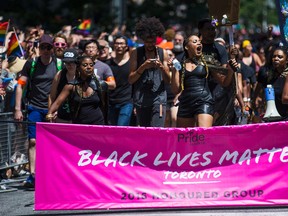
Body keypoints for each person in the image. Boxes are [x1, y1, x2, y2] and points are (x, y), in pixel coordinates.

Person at [14, 34, 60, 188]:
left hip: (52, 109)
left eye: (48, 47)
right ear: (38, 48)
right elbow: (20, 85)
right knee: (33, 141)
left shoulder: (59, 64)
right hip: (34, 107)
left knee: (52, 143)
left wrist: (58, 108)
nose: (46, 50)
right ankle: (32, 174)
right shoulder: (31, 64)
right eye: (43, 47)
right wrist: (17, 109)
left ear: (52, 48)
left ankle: (52, 173)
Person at [169, 34, 236, 127]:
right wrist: (174, 70)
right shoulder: (180, 64)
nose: (199, 44)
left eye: (200, 42)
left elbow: (224, 82)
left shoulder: (207, 61)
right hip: (186, 103)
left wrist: (231, 71)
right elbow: (175, 90)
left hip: (204, 101)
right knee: (185, 138)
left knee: (204, 135)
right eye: (195, 42)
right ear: (187, 47)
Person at [128, 17, 170, 127]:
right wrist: (143, 67)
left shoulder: (163, 53)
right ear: (142, 39)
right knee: (145, 131)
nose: (150, 44)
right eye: (147, 42)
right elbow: (131, 79)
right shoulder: (135, 53)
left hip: (159, 99)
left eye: (153, 42)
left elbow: (168, 80)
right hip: (141, 100)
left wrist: (161, 67)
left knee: (157, 130)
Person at [46, 56, 104, 125]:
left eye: (91, 65)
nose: (89, 67)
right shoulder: (70, 86)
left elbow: (104, 105)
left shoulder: (100, 85)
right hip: (79, 125)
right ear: (78, 67)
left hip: (97, 124)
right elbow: (57, 103)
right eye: (85, 65)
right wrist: (49, 114)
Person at [198, 18, 235, 126]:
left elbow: (224, 73)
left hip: (217, 93)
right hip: (199, 90)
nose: (211, 32)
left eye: (213, 29)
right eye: (208, 29)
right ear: (200, 30)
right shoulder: (196, 48)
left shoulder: (220, 49)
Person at [254, 46, 288, 120]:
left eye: (280, 57)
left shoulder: (286, 76)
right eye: (274, 56)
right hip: (272, 118)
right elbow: (260, 92)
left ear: (286, 60)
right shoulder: (268, 76)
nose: (276, 59)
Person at [106, 35, 133, 126]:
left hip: (126, 102)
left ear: (126, 47)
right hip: (111, 102)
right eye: (117, 43)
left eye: (121, 43)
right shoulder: (108, 64)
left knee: (122, 128)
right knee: (111, 129)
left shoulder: (132, 63)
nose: (119, 46)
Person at [48, 48, 78, 123]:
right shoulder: (59, 75)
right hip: (61, 117)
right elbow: (52, 96)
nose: (69, 65)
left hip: (78, 118)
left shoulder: (82, 76)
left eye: (72, 62)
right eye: (66, 62)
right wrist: (51, 113)